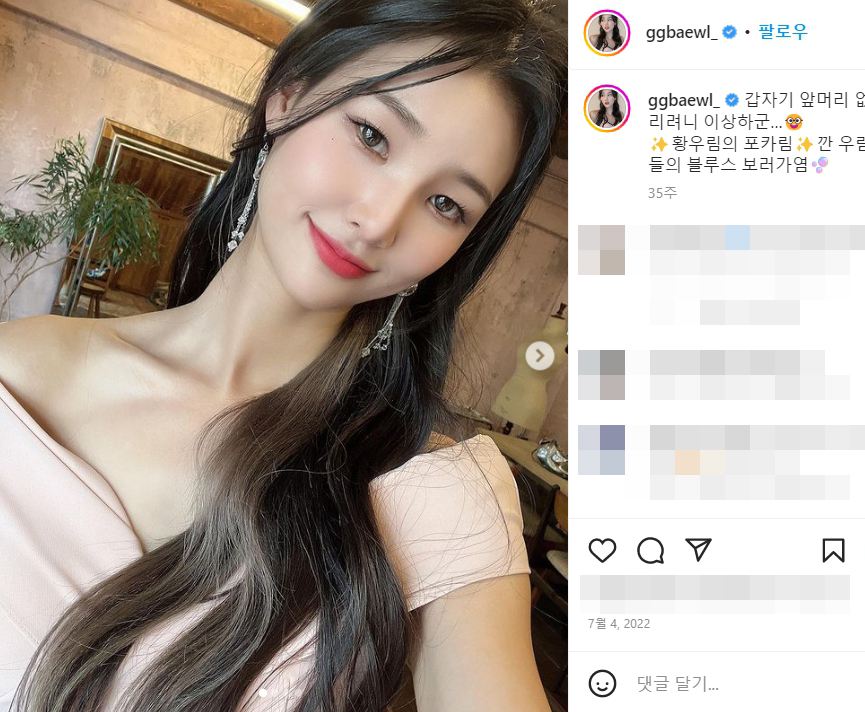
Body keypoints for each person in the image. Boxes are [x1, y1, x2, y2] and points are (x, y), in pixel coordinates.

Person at [0, 0, 566, 710]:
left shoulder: (433, 492)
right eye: (372, 136)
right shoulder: (20, 371)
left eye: (446, 204)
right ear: (287, 98)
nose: (378, 221)